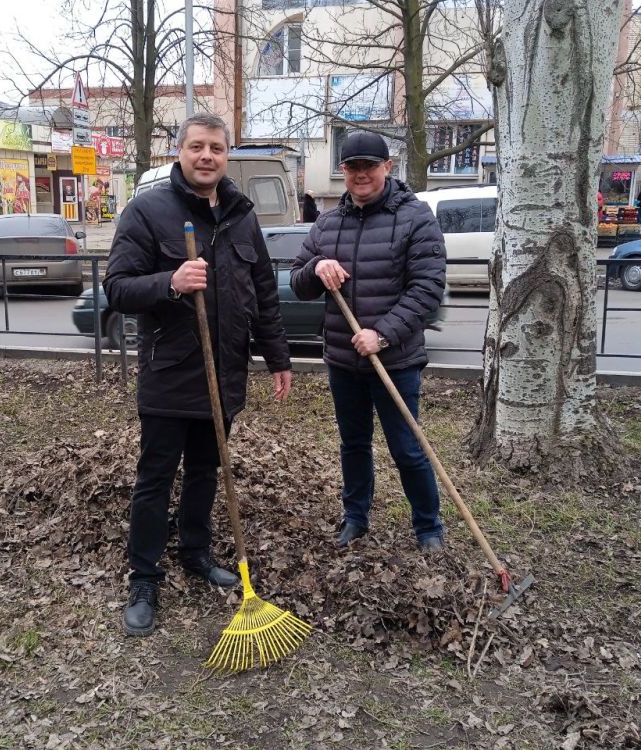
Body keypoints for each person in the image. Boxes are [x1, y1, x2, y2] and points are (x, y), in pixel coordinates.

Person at [103, 112, 293, 637]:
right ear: (179, 151)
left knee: (207, 471)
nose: (207, 156)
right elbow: (117, 288)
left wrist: (278, 356)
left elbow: (264, 294)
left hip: (225, 374)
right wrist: (172, 281)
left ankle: (195, 551)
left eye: (216, 148)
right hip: (170, 373)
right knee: (156, 477)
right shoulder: (147, 211)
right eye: (197, 147)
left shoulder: (240, 215)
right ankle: (144, 577)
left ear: (226, 155)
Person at [289, 130, 447, 551]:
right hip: (343, 360)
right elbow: (298, 282)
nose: (361, 175)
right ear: (343, 171)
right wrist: (317, 266)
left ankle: (428, 528)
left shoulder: (415, 219)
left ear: (387, 168)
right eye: (352, 167)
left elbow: (427, 289)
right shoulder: (327, 223)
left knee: (407, 448)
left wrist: (383, 334)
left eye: (369, 166)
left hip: (395, 360)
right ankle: (355, 518)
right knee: (353, 445)